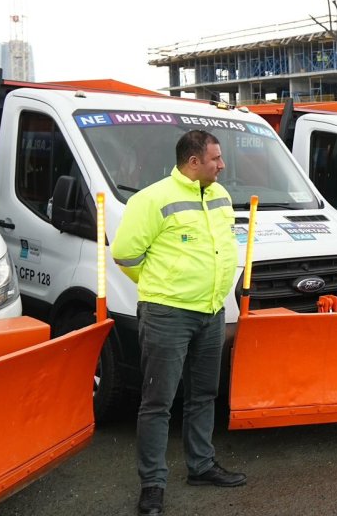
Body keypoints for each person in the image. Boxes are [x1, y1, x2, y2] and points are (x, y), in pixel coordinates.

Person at [112, 131, 245, 516]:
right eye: (216, 159)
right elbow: (125, 254)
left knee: (203, 394)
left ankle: (201, 466)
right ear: (193, 162)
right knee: (158, 402)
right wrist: (159, 286)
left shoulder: (220, 196)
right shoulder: (152, 199)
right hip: (167, 314)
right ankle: (152, 484)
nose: (222, 165)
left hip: (211, 311)